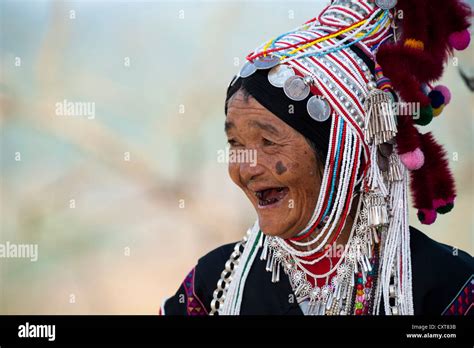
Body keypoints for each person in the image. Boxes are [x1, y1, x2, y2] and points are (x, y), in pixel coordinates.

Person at [161, 0, 473, 315]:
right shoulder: (213, 286)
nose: (246, 167)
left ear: (347, 155)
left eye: (269, 141)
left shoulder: (449, 290)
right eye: (235, 142)